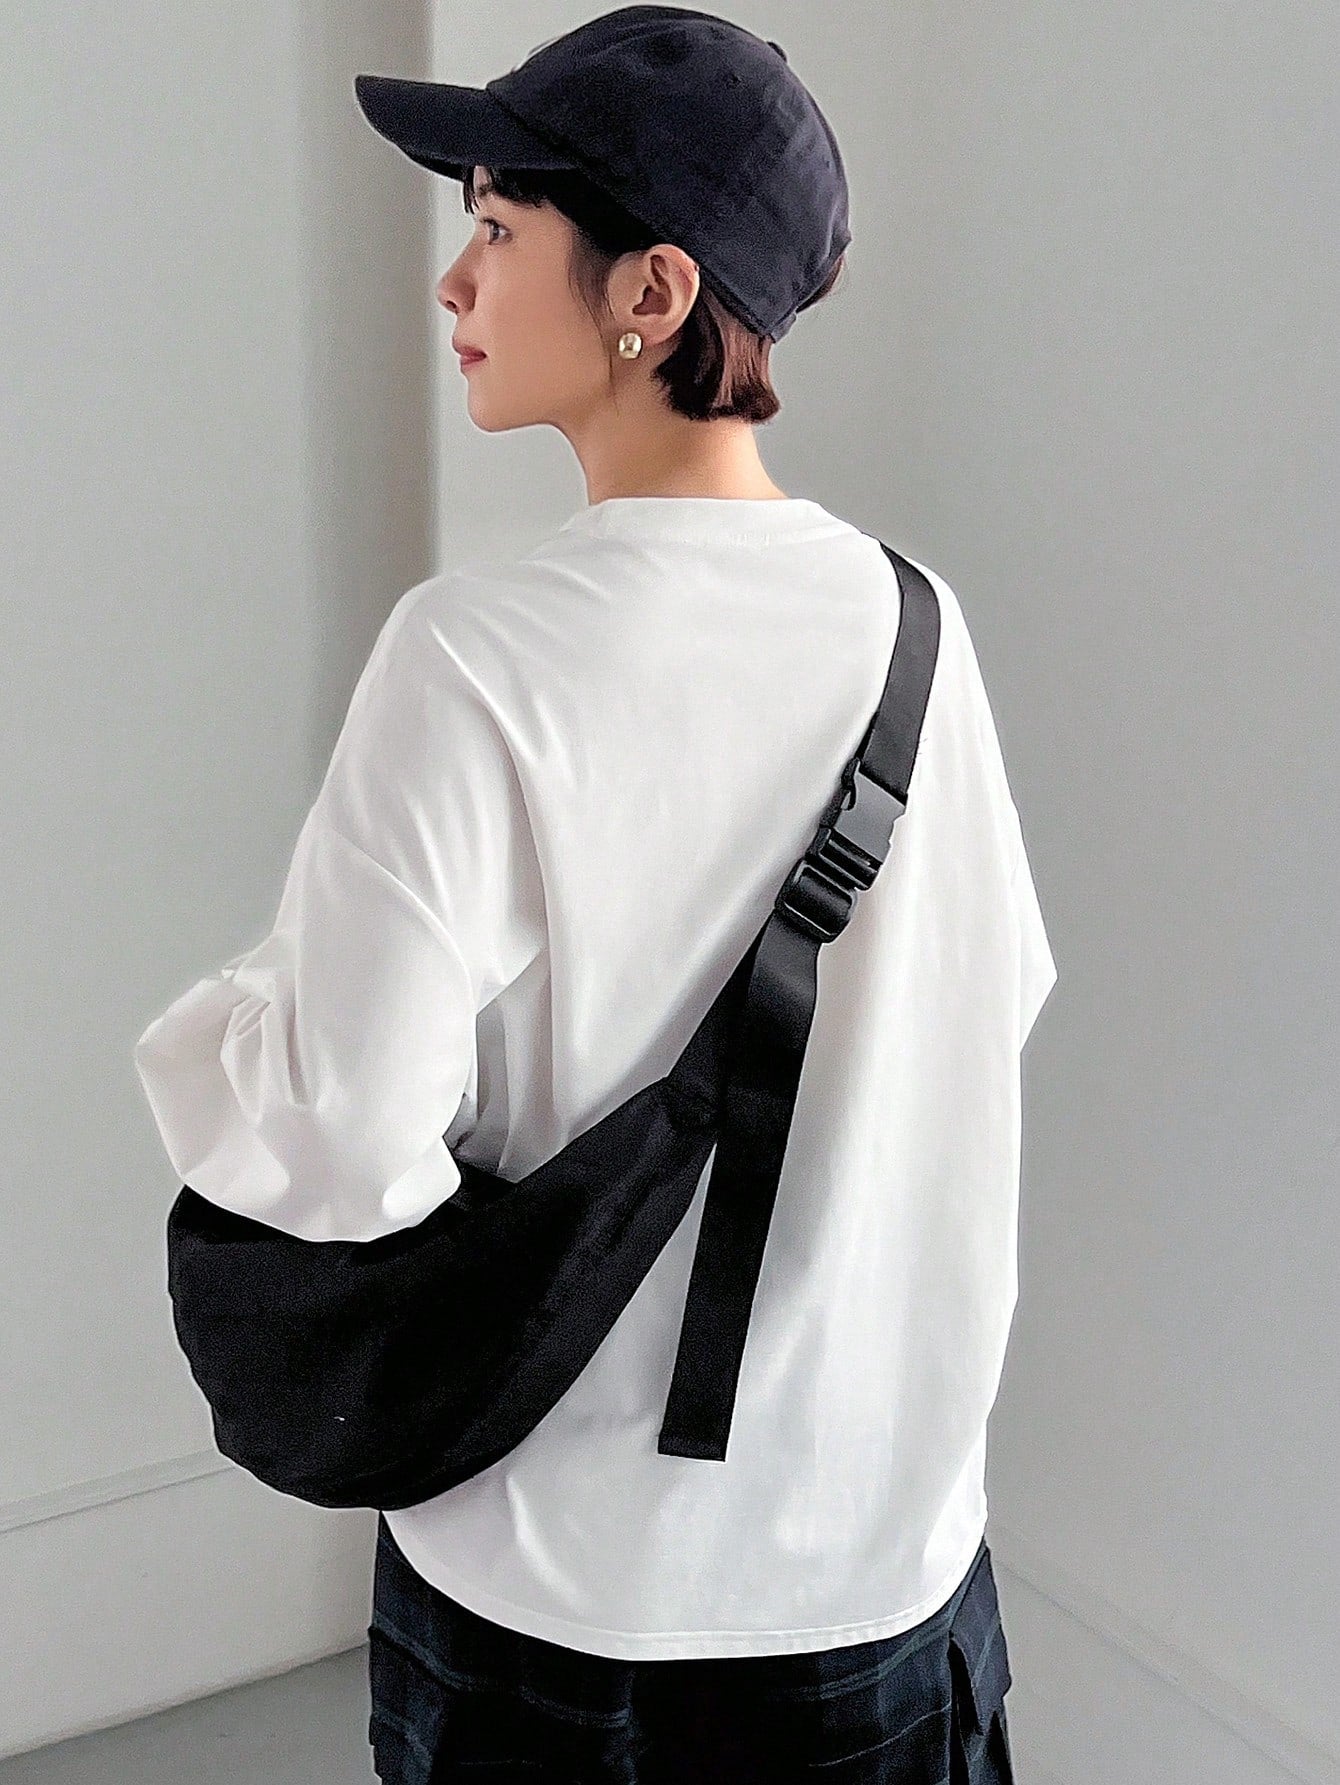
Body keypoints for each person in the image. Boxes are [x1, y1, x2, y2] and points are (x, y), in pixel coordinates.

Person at [135, 7, 1056, 1779]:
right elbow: (983, 1012)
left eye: (496, 226)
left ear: (652, 289)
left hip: (559, 1607)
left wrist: (231, 1024)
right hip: (885, 1579)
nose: (453, 281)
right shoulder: (917, 623)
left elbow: (340, 1139)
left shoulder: (476, 653)